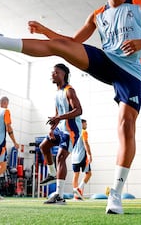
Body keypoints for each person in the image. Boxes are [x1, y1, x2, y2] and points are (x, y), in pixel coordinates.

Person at [0, 0, 141, 213]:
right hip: (107, 61)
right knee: (60, 48)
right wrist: (46, 30)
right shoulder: (97, 15)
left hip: (132, 73)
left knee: (125, 124)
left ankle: (116, 195)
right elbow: (71, 42)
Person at [39, 63, 82, 205]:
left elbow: (78, 110)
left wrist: (59, 118)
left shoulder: (69, 91)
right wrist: (52, 128)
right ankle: (52, 173)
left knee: (60, 157)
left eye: (56, 72)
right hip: (60, 127)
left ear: (64, 74)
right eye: (53, 72)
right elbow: (58, 113)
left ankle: (60, 196)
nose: (53, 74)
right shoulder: (57, 93)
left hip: (71, 129)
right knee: (44, 146)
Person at [71, 119, 92, 200]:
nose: (86, 125)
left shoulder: (74, 133)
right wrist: (89, 154)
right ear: (82, 124)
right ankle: (79, 189)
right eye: (85, 124)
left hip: (74, 157)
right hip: (82, 156)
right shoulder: (83, 132)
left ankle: (75, 195)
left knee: (76, 175)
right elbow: (85, 143)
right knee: (89, 173)